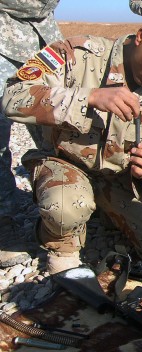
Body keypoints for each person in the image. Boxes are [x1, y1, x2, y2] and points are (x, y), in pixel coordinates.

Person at [1, 12, 142, 274]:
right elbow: (13, 96)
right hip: (65, 164)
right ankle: (57, 238)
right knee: (65, 209)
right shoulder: (77, 54)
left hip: (117, 177)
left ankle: (105, 209)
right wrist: (88, 98)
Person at [0, 0, 63, 266]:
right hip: (3, 35)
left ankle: (62, 209)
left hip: (42, 38)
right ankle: (3, 223)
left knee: (58, 131)